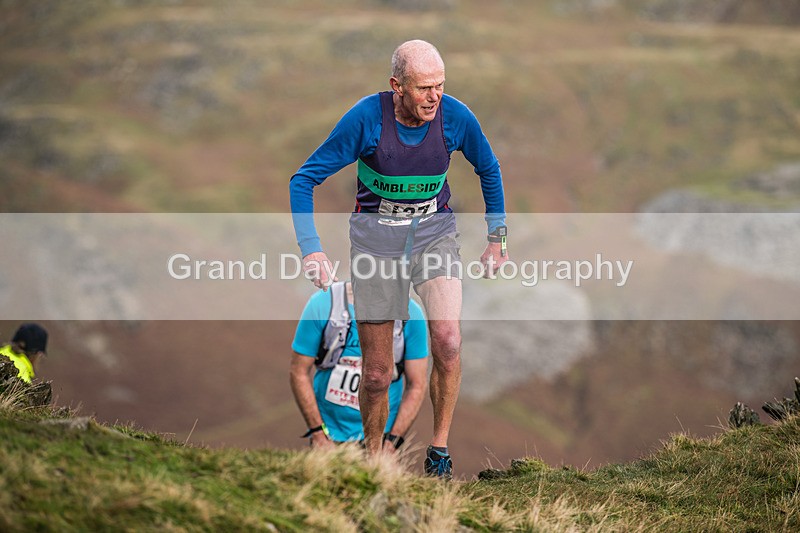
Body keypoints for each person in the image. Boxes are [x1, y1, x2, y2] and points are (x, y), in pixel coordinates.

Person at [289, 40, 508, 479]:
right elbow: (304, 179)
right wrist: (311, 248)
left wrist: (497, 237)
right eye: (425, 88)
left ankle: (439, 453)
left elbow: (489, 168)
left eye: (441, 86)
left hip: (435, 235)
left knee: (447, 339)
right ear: (397, 86)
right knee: (375, 373)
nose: (435, 97)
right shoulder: (366, 119)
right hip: (375, 245)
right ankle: (374, 463)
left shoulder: (455, 117)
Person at [289, 280, 429, 450]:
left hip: (381, 438)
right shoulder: (322, 303)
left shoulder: (411, 314)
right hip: (327, 434)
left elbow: (417, 385)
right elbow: (299, 371)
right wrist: (318, 433)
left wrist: (391, 444)